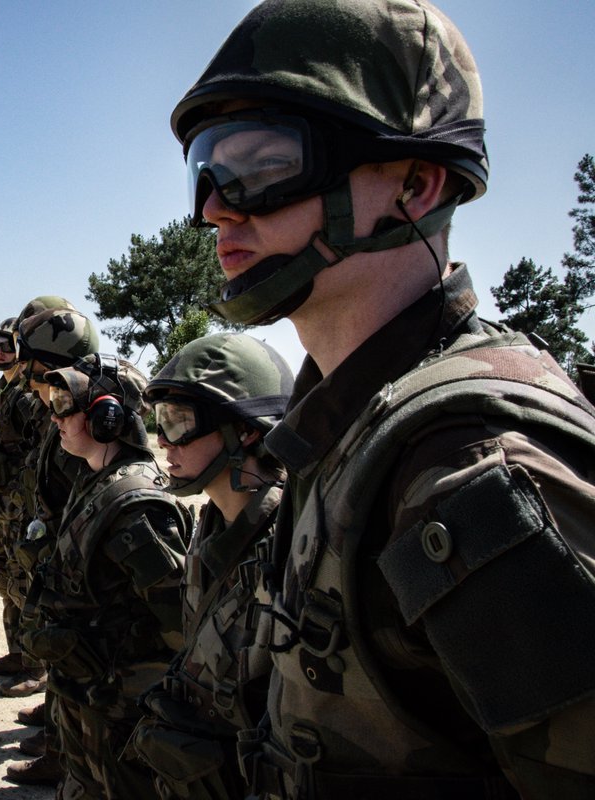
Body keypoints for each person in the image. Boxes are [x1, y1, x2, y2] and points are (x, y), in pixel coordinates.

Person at [171, 1, 595, 796]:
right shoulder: (339, 437)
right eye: (205, 169)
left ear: (415, 183)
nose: (213, 208)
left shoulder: (470, 468)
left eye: (259, 165)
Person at [126, 333, 293, 799]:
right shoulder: (213, 522)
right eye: (160, 421)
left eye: (180, 423)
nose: (163, 440)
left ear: (246, 430)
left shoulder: (292, 544)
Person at [21, 353, 190, 799]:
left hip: (119, 708)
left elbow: (179, 627)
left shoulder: (137, 503)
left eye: (64, 403)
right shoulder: (95, 481)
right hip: (87, 696)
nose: (53, 415)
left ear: (106, 418)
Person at [4, 302, 100, 788]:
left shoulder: (91, 407)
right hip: (59, 552)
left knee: (78, 661)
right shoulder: (59, 405)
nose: (32, 383)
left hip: (81, 560)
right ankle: (59, 744)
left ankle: (64, 760)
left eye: (37, 372)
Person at [0, 317, 36, 677]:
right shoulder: (8, 389)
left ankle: (37, 665)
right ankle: (17, 652)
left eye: (6, 345)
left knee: (24, 582)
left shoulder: (28, 395)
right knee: (4, 579)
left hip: (22, 508)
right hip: (1, 506)